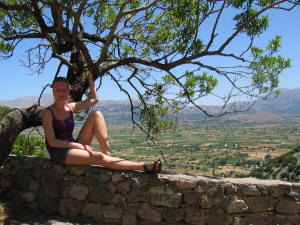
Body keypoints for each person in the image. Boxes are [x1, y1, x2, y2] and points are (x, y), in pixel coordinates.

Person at [42, 71, 162, 173]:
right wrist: (78, 145)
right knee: (98, 157)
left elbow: (94, 99)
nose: (61, 93)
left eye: (64, 89)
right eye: (58, 90)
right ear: (53, 91)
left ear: (68, 91)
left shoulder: (70, 107)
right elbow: (52, 142)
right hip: (59, 152)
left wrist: (90, 79)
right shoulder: (48, 113)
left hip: (73, 146)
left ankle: (109, 156)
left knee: (96, 114)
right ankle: (143, 166)